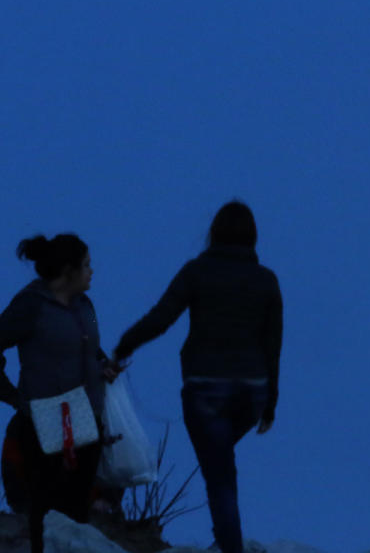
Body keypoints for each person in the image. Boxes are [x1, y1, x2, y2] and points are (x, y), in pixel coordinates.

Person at [113, 200, 283, 553]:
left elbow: (161, 318)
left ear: (214, 233)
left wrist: (125, 345)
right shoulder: (267, 280)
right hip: (252, 392)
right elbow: (273, 345)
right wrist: (269, 405)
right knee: (220, 464)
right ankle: (224, 539)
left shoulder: (196, 271)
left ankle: (229, 546)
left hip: (205, 389)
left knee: (219, 476)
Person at [0, 233, 119, 553]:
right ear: (68, 271)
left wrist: (104, 366)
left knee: (79, 504)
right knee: (46, 507)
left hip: (86, 413)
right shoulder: (31, 305)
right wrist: (10, 395)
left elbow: (88, 347)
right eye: (86, 266)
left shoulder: (86, 305)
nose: (92, 272)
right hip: (46, 415)